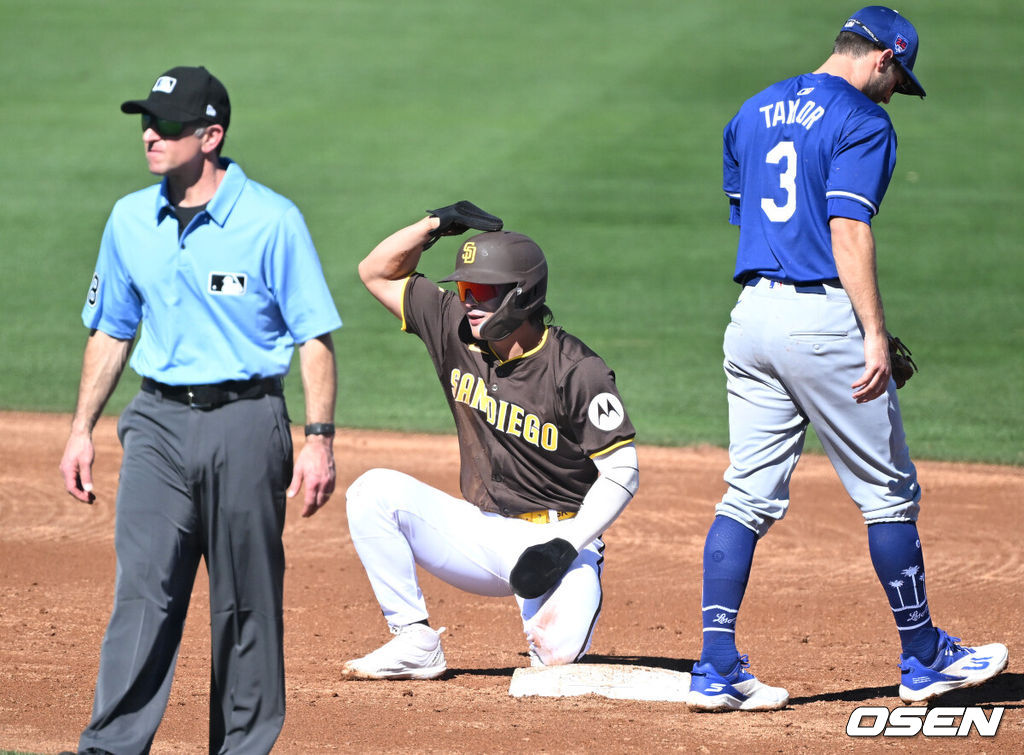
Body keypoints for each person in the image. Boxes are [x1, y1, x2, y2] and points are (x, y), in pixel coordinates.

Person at [686, 7, 1008, 711]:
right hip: (822, 318)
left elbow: (751, 218)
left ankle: (715, 667)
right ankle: (924, 657)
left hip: (750, 319)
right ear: (882, 60)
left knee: (745, 496)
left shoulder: (752, 109)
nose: (896, 95)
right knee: (888, 495)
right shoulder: (863, 121)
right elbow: (846, 227)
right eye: (899, 80)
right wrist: (870, 330)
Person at [58, 66, 341, 753]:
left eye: (170, 125)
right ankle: (111, 745)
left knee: (245, 600)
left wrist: (319, 438)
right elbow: (113, 330)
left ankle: (241, 746)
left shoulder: (272, 220)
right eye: (146, 122)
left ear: (211, 136)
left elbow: (314, 336)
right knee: (144, 591)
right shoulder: (130, 219)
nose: (151, 135)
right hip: (155, 420)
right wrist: (80, 430)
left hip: (248, 420)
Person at [342, 205, 639, 679]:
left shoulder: (576, 370)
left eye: (481, 292)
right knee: (372, 492)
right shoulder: (453, 328)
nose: (467, 302)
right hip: (483, 533)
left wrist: (566, 544)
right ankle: (414, 639)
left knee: (556, 659)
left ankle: (566, 595)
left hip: (559, 537)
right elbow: (374, 271)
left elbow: (623, 470)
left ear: (523, 297)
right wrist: (434, 225)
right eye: (462, 289)